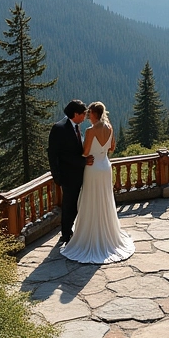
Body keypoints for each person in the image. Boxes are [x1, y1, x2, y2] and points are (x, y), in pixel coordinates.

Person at [61, 101, 135, 264]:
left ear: (95, 114)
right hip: (105, 166)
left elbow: (85, 152)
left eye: (89, 114)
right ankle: (106, 232)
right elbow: (112, 147)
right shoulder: (109, 127)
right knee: (105, 199)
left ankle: (91, 233)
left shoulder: (90, 130)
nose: (87, 116)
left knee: (91, 199)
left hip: (93, 167)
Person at [47, 99, 92, 243]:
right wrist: (57, 177)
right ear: (75, 114)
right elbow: (55, 154)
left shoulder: (76, 127)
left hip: (80, 173)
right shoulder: (59, 128)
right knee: (69, 205)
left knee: (78, 203)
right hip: (68, 176)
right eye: (83, 114)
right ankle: (65, 234)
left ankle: (76, 230)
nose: (85, 117)